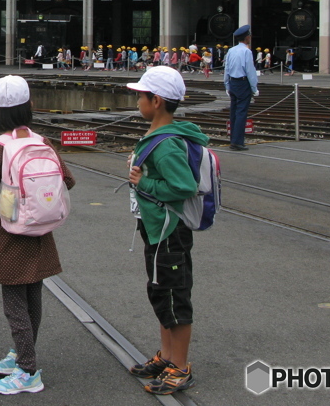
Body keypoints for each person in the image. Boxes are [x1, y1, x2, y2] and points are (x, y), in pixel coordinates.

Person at [0, 75, 75, 395]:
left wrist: (12, 193)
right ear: (29, 107)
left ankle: (27, 370)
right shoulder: (41, 142)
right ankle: (21, 353)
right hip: (42, 232)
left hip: (9, 232)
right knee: (33, 295)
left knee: (14, 302)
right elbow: (67, 180)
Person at [125, 66, 207, 395]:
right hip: (158, 231)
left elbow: (184, 185)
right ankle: (168, 356)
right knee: (162, 293)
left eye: (141, 96)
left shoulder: (167, 144)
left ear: (155, 101)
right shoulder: (157, 137)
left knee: (175, 298)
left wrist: (144, 181)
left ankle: (180, 366)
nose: (138, 102)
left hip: (169, 232)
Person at [224, 26, 258, 151]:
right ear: (247, 37)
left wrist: (227, 84)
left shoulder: (231, 51)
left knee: (233, 112)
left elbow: (226, 68)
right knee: (241, 113)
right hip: (243, 83)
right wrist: (254, 87)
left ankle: (233, 139)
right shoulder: (246, 52)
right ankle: (237, 142)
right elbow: (250, 71)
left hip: (232, 82)